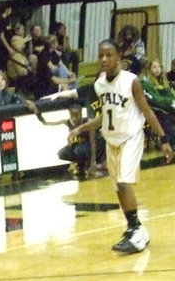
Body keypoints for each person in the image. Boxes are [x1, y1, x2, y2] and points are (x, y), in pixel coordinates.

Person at [68, 39, 173, 253]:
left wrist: (163, 140)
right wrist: (79, 129)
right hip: (112, 140)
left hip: (131, 137)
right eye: (101, 55)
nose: (104, 59)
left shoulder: (131, 81)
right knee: (118, 188)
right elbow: (104, 117)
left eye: (109, 55)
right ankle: (133, 228)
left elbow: (147, 111)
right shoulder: (99, 85)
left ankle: (137, 230)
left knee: (124, 182)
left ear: (118, 58)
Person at [29, 101, 104, 179]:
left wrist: (93, 163)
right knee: (62, 153)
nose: (74, 118)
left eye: (76, 116)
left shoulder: (88, 122)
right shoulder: (68, 122)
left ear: (81, 115)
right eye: (72, 116)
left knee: (78, 150)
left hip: (88, 148)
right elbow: (46, 123)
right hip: (77, 148)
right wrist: (36, 110)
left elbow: (93, 144)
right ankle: (79, 166)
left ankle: (88, 166)